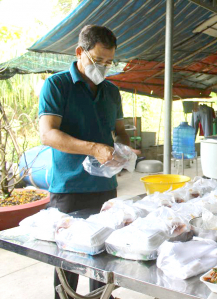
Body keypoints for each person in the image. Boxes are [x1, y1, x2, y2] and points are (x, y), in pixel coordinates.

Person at [38, 25, 129, 299]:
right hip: (69, 188)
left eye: (109, 62)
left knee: (103, 256)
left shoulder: (111, 91)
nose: (103, 67)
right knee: (69, 262)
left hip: (105, 188)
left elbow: (120, 131)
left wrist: (126, 149)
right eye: (97, 60)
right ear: (80, 52)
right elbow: (48, 134)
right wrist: (92, 148)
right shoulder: (57, 85)